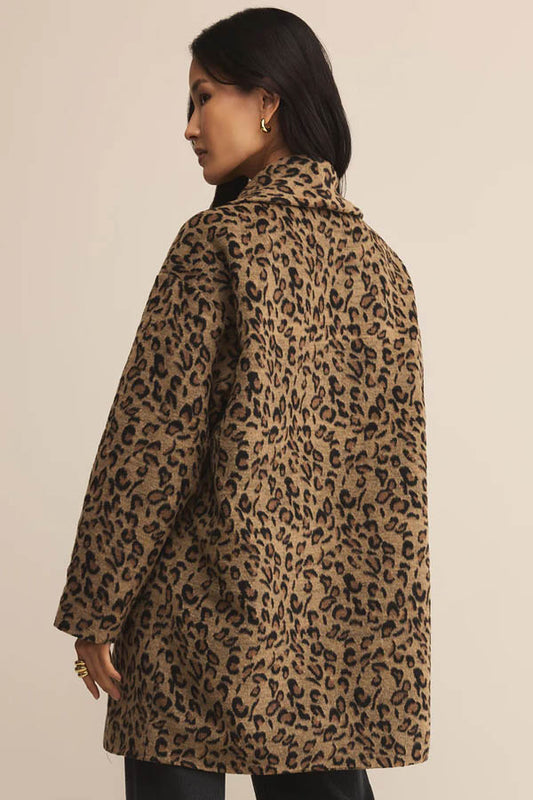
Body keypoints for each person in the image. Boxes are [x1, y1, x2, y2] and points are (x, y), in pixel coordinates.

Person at [53, 7, 431, 800]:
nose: (189, 127)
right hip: (323, 646)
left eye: (202, 97)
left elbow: (151, 445)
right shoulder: (382, 268)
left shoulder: (217, 244)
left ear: (267, 100)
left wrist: (96, 609)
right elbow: (389, 488)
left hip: (193, 629)